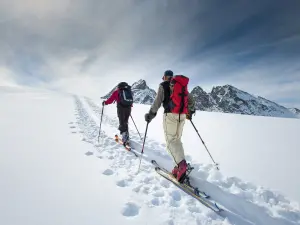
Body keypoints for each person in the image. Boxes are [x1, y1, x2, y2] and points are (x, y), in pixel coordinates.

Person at [144, 70, 195, 182]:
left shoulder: (163, 85)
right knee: (177, 140)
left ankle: (181, 165)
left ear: (164, 77)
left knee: (170, 142)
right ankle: (179, 167)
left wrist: (150, 115)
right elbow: (190, 100)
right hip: (181, 116)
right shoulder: (181, 85)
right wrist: (189, 112)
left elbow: (157, 102)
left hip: (170, 115)